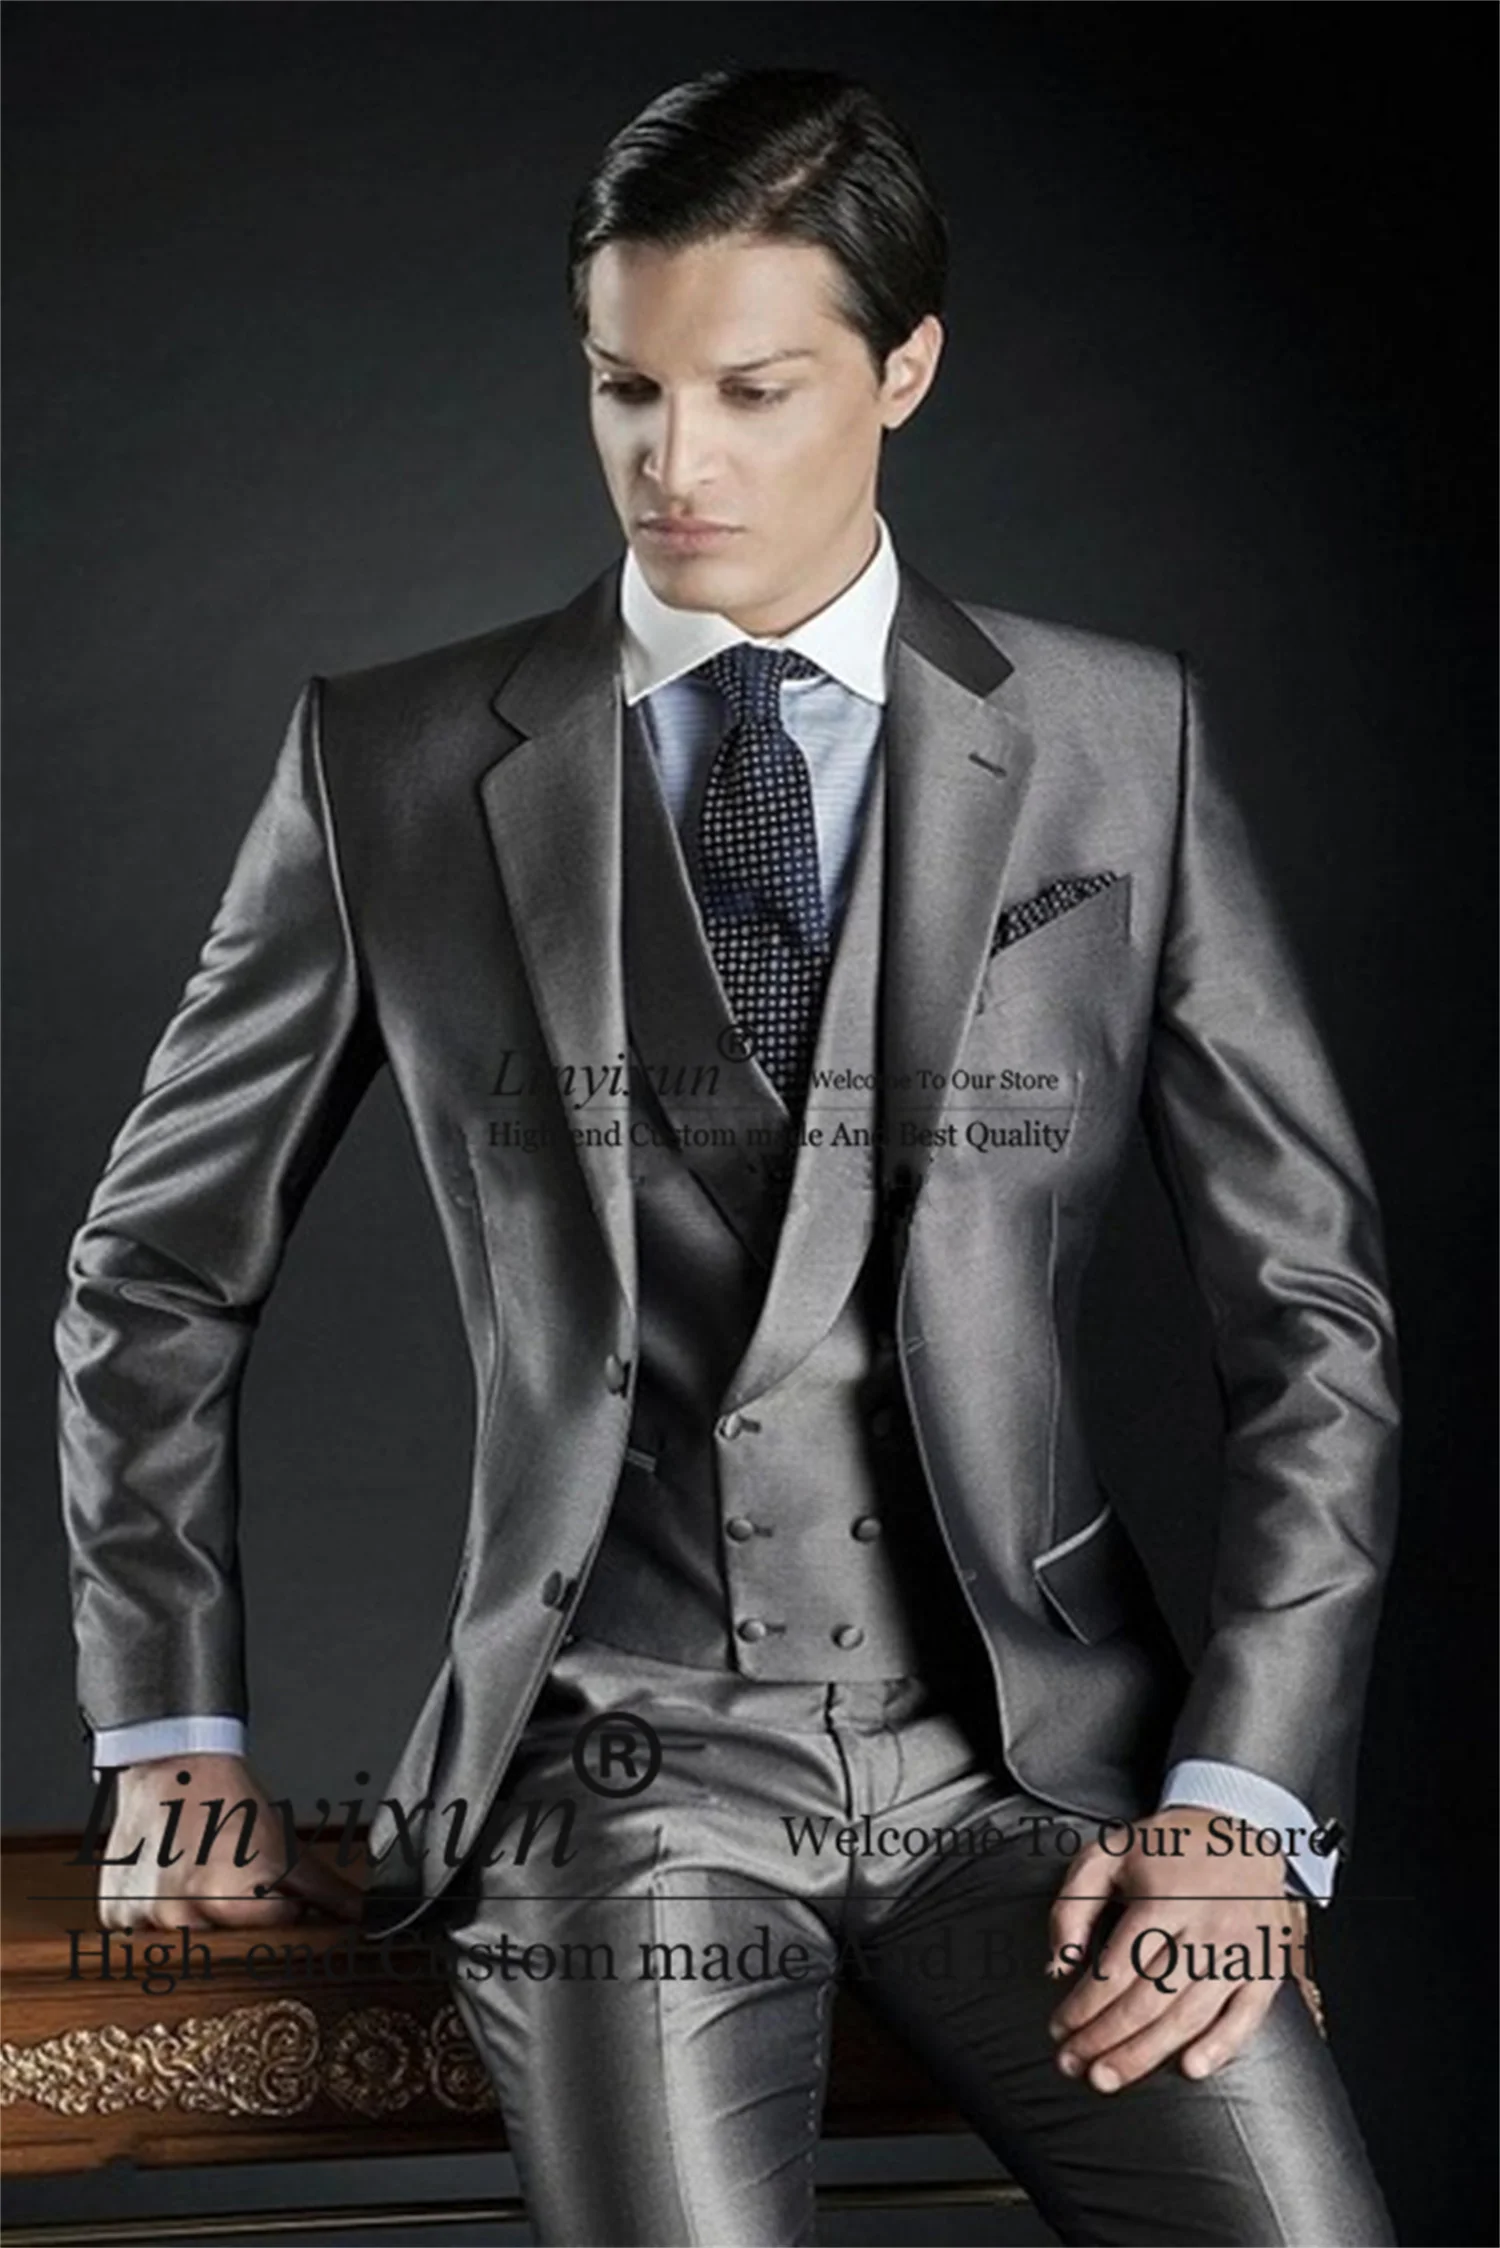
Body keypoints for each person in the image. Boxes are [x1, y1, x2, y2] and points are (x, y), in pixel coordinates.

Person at [58, 66, 1400, 2246]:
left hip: (1029, 1776)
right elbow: (154, 1272)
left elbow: (1311, 1316)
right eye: (626, 387)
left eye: (753, 392)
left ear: (904, 372)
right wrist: (166, 1734)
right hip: (616, 1784)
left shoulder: (1115, 740)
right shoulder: (392, 761)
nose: (674, 464)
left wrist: (1241, 1802)